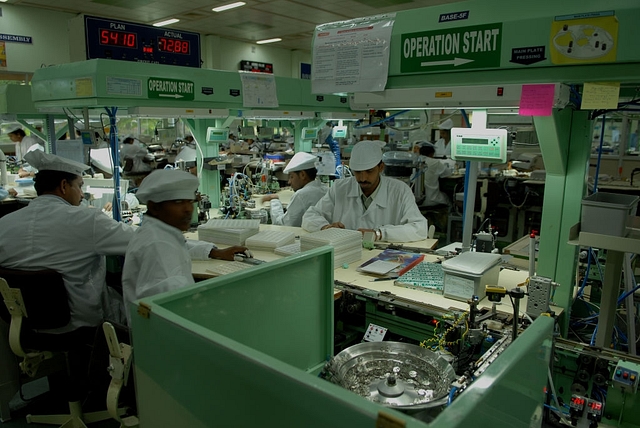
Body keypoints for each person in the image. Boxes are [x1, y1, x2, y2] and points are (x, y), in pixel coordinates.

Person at [0, 150, 135, 332]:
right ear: (64, 186)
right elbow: (142, 241)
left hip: (22, 326)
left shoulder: (4, 223)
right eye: (79, 186)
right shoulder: (88, 220)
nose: (81, 195)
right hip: (79, 326)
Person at [122, 169, 248, 324]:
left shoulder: (157, 233)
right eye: (178, 202)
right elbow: (172, 312)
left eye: (189, 201)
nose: (188, 209)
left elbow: (181, 245)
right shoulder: (157, 246)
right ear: (154, 207)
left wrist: (216, 252)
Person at [302, 140, 428, 243]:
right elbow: (310, 216)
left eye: (369, 171)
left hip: (382, 259)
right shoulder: (340, 188)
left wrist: (379, 234)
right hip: (346, 255)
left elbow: (419, 228)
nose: (362, 178)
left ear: (381, 167)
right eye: (357, 172)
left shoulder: (399, 191)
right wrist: (326, 227)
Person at [261, 152, 328, 227]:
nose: (289, 182)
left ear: (302, 175)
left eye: (291, 177)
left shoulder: (301, 195)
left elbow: (282, 225)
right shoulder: (325, 189)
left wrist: (274, 200)